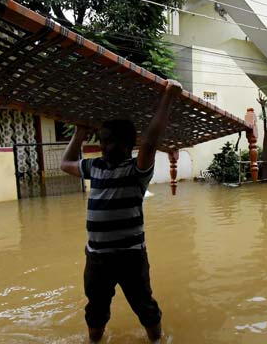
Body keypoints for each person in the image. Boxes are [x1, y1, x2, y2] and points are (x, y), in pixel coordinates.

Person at [61, 79, 183, 343]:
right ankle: (95, 340)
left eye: (111, 143)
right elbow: (65, 163)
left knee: (144, 306)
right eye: (103, 142)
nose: (105, 147)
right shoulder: (94, 167)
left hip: (130, 257)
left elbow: (150, 143)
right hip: (97, 259)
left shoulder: (136, 171)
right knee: (95, 310)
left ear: (128, 146)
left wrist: (168, 97)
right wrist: (80, 132)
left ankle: (156, 340)